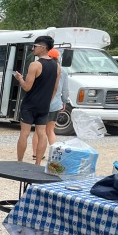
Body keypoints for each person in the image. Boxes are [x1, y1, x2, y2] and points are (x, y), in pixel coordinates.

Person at [13, 35, 59, 166]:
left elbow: (27, 87)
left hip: (30, 105)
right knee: (42, 134)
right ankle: (38, 163)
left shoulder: (35, 65)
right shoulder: (57, 66)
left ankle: (20, 162)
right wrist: (47, 101)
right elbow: (55, 88)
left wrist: (20, 78)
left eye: (35, 46)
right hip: (44, 105)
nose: (33, 48)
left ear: (43, 48)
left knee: (24, 133)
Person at [32, 48, 69, 157]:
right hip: (55, 104)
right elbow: (65, 90)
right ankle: (55, 154)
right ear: (58, 58)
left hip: (41, 103)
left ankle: (36, 154)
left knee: (38, 131)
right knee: (50, 130)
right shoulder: (63, 71)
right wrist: (64, 101)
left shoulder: (40, 67)